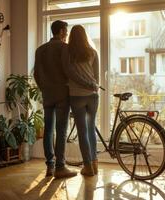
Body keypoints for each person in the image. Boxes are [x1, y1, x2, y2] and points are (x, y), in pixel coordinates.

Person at [34, 21, 97, 178]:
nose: (67, 34)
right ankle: (60, 167)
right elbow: (68, 70)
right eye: (66, 31)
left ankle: (50, 166)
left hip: (48, 94)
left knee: (48, 129)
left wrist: (44, 89)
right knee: (61, 130)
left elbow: (36, 73)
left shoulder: (40, 49)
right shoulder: (65, 48)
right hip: (63, 94)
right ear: (61, 31)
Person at [62, 25, 99, 176]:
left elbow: (69, 72)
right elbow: (96, 76)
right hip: (93, 96)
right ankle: (95, 165)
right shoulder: (93, 52)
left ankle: (88, 166)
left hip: (77, 96)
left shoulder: (68, 52)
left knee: (83, 132)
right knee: (91, 129)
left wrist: (85, 84)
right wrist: (91, 85)